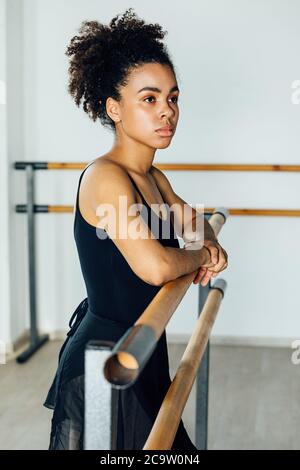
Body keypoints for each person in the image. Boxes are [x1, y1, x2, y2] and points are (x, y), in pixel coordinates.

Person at [43, 7, 228, 450]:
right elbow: (156, 266)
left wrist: (210, 238)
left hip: (144, 348)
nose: (167, 111)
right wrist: (201, 256)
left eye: (173, 97)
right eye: (149, 98)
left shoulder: (153, 178)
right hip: (104, 359)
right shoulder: (107, 176)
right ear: (114, 109)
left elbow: (192, 220)